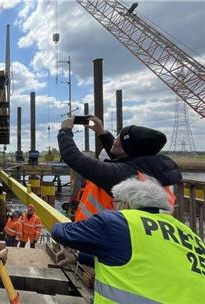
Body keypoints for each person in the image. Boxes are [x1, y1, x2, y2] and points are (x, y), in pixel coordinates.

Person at [52, 176, 205, 303]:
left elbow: (62, 233)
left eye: (115, 203)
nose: (113, 208)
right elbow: (143, 261)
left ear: (125, 203)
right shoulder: (187, 232)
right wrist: (79, 256)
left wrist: (56, 224)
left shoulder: (119, 222)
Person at [58, 116, 181, 221]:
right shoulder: (149, 169)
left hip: (105, 237)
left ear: (126, 148)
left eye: (119, 138)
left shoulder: (123, 176)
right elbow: (124, 156)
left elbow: (73, 157)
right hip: (140, 235)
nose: (115, 140)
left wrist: (65, 131)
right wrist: (101, 132)